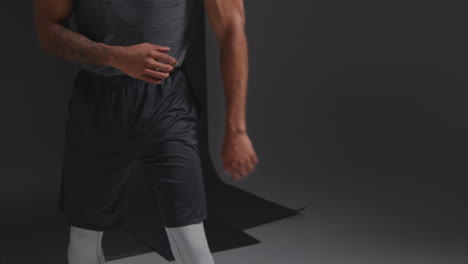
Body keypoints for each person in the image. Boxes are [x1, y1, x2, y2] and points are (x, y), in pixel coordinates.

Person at [33, 0, 259, 263]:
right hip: (97, 101)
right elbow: (48, 31)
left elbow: (231, 28)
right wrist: (115, 57)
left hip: (166, 100)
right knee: (85, 234)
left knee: (190, 235)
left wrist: (237, 130)